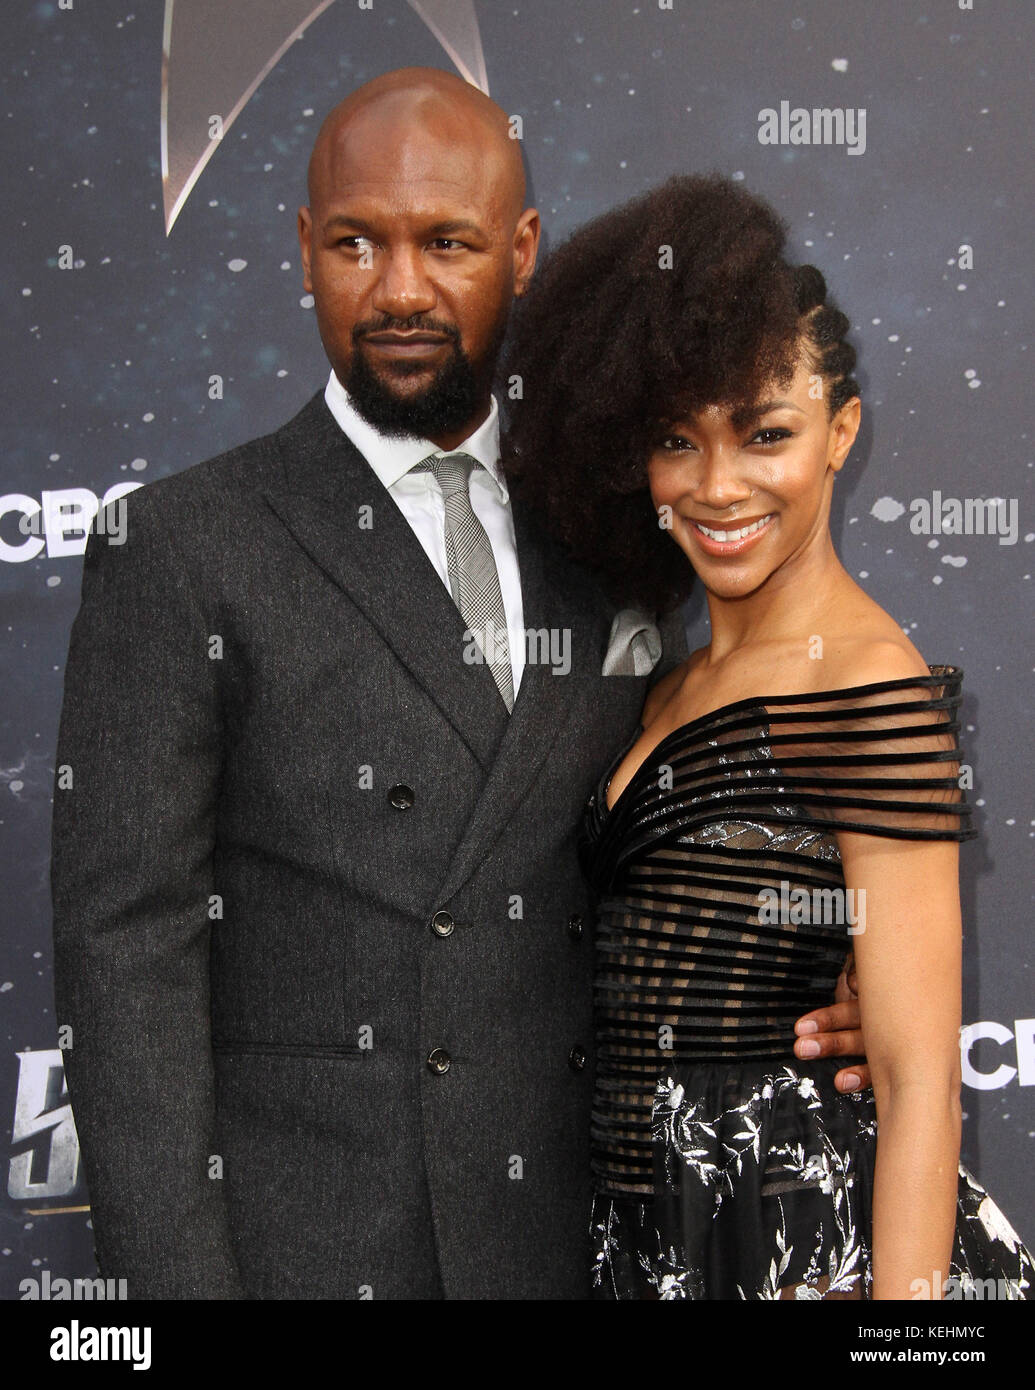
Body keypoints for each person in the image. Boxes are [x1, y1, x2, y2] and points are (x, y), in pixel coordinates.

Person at [50, 73, 867, 1301]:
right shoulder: (179, 547)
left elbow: (680, 844)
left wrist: (825, 981)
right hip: (308, 1260)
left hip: (593, 1246)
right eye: (356, 244)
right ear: (304, 251)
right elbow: (124, 966)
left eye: (447, 243)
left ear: (522, 250)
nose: (400, 290)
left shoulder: (620, 534)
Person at [501, 173, 1035, 1300]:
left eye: (765, 434)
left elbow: (917, 1083)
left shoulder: (867, 685)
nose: (718, 486)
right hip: (652, 1235)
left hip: (799, 1242)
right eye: (677, 440)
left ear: (840, 434)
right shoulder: (668, 679)